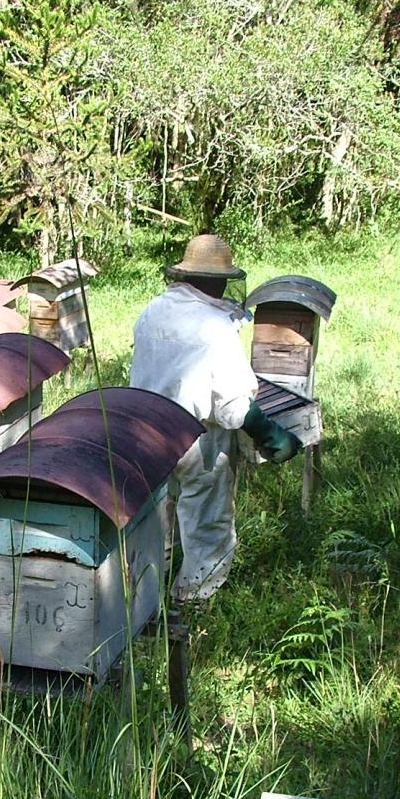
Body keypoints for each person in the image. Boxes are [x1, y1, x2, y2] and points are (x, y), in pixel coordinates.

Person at [130, 234, 302, 603]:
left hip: (145, 431)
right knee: (205, 519)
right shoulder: (215, 327)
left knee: (156, 519)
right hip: (195, 438)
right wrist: (272, 435)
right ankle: (194, 600)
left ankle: (146, 598)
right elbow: (233, 407)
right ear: (217, 280)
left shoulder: (153, 310)